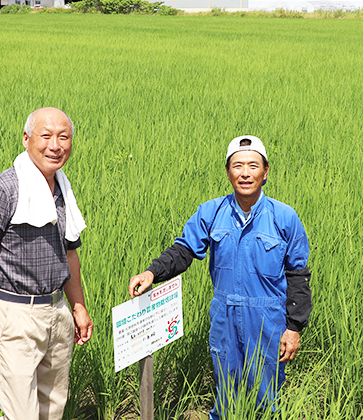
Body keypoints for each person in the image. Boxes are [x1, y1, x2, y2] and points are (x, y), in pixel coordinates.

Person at [128, 135, 311, 419]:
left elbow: (298, 275)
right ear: (228, 171)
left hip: (268, 320)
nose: (245, 173)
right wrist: (153, 272)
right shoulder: (211, 212)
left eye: (253, 165)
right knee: (226, 396)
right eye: (238, 166)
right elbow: (185, 250)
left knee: (265, 399)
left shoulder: (284, 217)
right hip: (225, 317)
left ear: (266, 171)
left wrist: (294, 326)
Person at [0, 107, 93, 420]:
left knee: (52, 407)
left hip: (57, 311)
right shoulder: (2, 190)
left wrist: (78, 307)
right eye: (46, 136)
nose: (55, 145)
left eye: (64, 137)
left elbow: (69, 253)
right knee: (21, 413)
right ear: (26, 139)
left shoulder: (62, 188)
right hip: (15, 315)